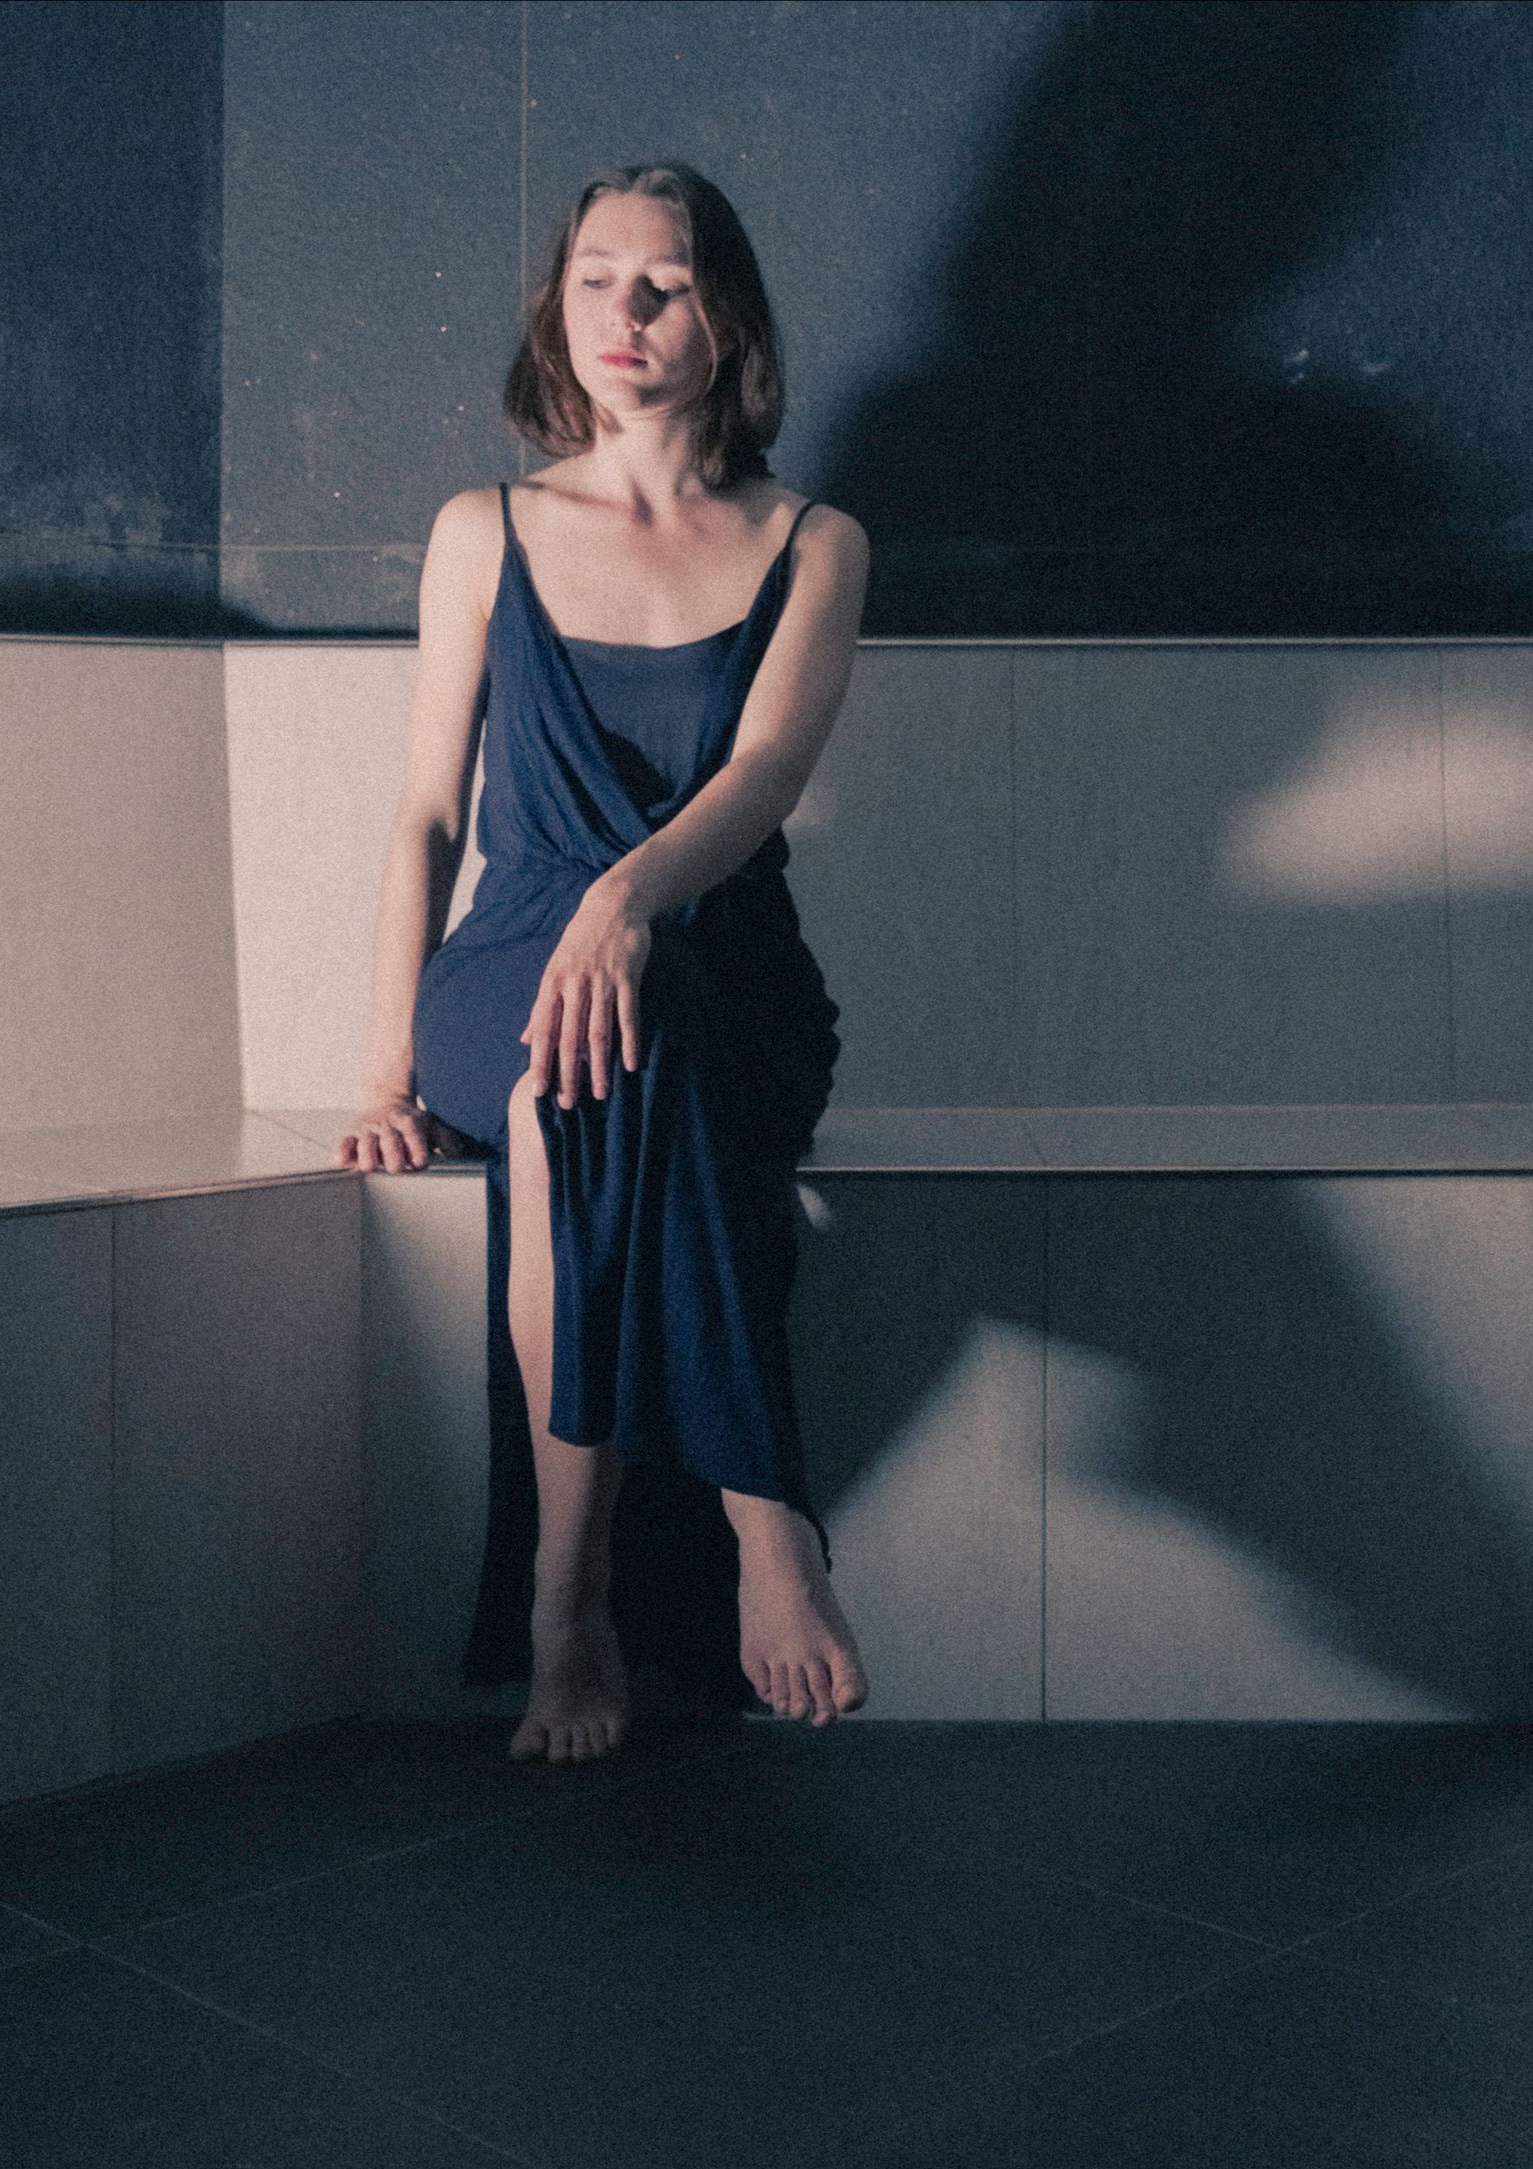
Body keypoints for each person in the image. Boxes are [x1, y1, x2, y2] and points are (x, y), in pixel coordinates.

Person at [334, 162, 871, 1763]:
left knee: (633, 1041)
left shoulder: (817, 541)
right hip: (511, 965)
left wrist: (628, 900)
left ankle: (566, 1606)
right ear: (556, 305)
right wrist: (379, 1072)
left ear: (730, 316)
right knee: (587, 1055)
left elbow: (764, 778)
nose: (623, 313)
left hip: (722, 953)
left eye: (666, 282)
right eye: (592, 278)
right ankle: (762, 1525)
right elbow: (431, 812)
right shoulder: (482, 529)